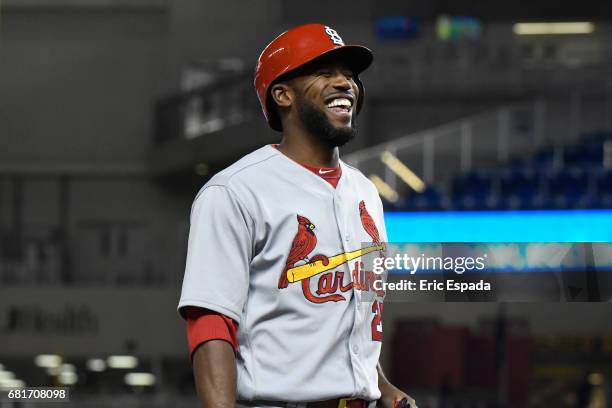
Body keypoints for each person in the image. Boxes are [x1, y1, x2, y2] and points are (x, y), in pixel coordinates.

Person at [178, 23, 417, 408]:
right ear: (283, 94)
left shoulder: (365, 192)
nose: (345, 83)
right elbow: (210, 321)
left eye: (350, 75)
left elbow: (349, 319)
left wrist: (381, 387)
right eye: (325, 72)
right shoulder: (235, 190)